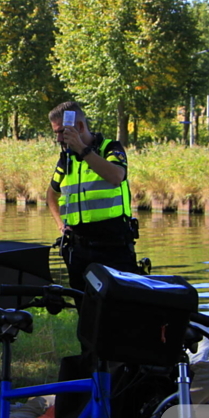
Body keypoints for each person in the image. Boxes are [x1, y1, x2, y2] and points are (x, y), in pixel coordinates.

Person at [45, 102, 138, 293]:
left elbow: (116, 176)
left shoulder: (110, 148)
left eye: (62, 131)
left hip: (113, 245)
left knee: (119, 304)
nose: (58, 138)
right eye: (56, 133)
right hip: (79, 247)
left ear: (79, 127)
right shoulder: (66, 159)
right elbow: (51, 194)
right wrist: (61, 224)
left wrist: (82, 149)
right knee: (84, 305)